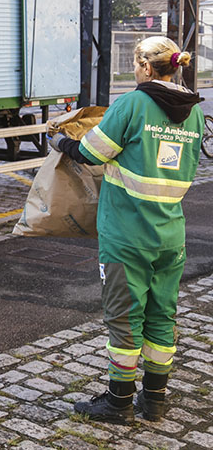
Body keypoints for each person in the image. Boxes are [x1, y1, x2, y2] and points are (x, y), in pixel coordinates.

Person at [49, 36, 202, 424]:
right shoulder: (195, 113)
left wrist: (60, 141)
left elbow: (90, 153)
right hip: (171, 234)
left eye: (136, 65)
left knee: (124, 318)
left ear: (147, 67)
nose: (135, 71)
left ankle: (118, 403)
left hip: (127, 234)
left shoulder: (132, 104)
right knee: (162, 315)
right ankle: (154, 401)